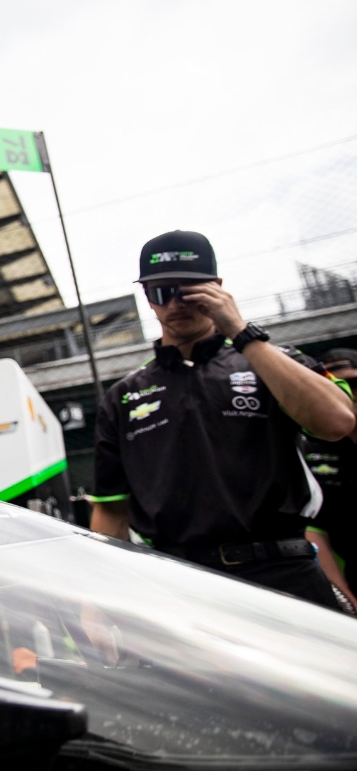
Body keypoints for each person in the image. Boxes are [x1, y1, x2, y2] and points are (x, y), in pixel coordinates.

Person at [90, 230, 355, 607]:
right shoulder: (122, 396)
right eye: (161, 292)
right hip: (180, 580)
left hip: (283, 570)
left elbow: (337, 423)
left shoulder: (273, 361)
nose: (176, 303)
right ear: (147, 298)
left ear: (217, 288)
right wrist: (101, 603)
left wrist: (242, 333)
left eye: (189, 290)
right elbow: (110, 509)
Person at [302, 348, 357, 608]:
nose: (351, 394)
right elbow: (314, 530)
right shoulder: (310, 448)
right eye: (337, 386)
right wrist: (344, 597)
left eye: (355, 383)